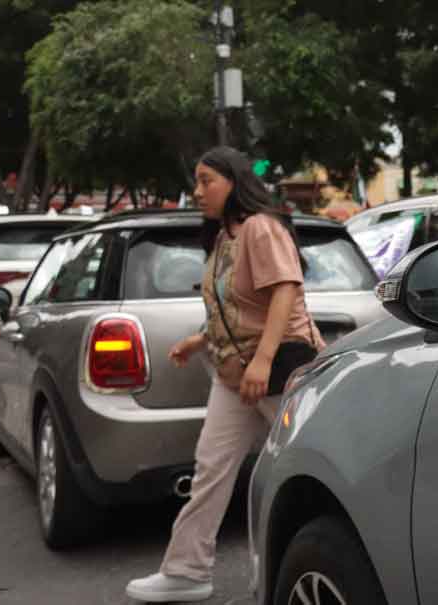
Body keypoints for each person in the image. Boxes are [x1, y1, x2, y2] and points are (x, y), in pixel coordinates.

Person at [126, 146, 323, 603]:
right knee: (210, 471)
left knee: (317, 465)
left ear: (234, 182)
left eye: (206, 180)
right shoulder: (221, 238)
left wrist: (263, 359)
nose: (197, 191)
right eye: (196, 182)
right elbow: (233, 307)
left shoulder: (261, 228)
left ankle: (348, 554)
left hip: (281, 372)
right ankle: (187, 571)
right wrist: (200, 339)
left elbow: (285, 291)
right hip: (233, 378)